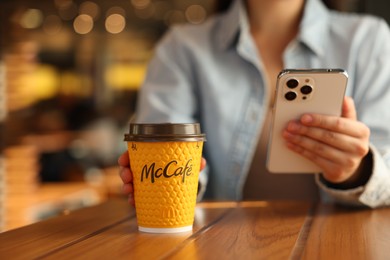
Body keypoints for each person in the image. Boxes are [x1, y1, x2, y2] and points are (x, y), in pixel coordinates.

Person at [118, 0, 390, 208]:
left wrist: (357, 170)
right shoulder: (182, 48)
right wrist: (167, 183)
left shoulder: (368, 40)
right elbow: (164, 154)